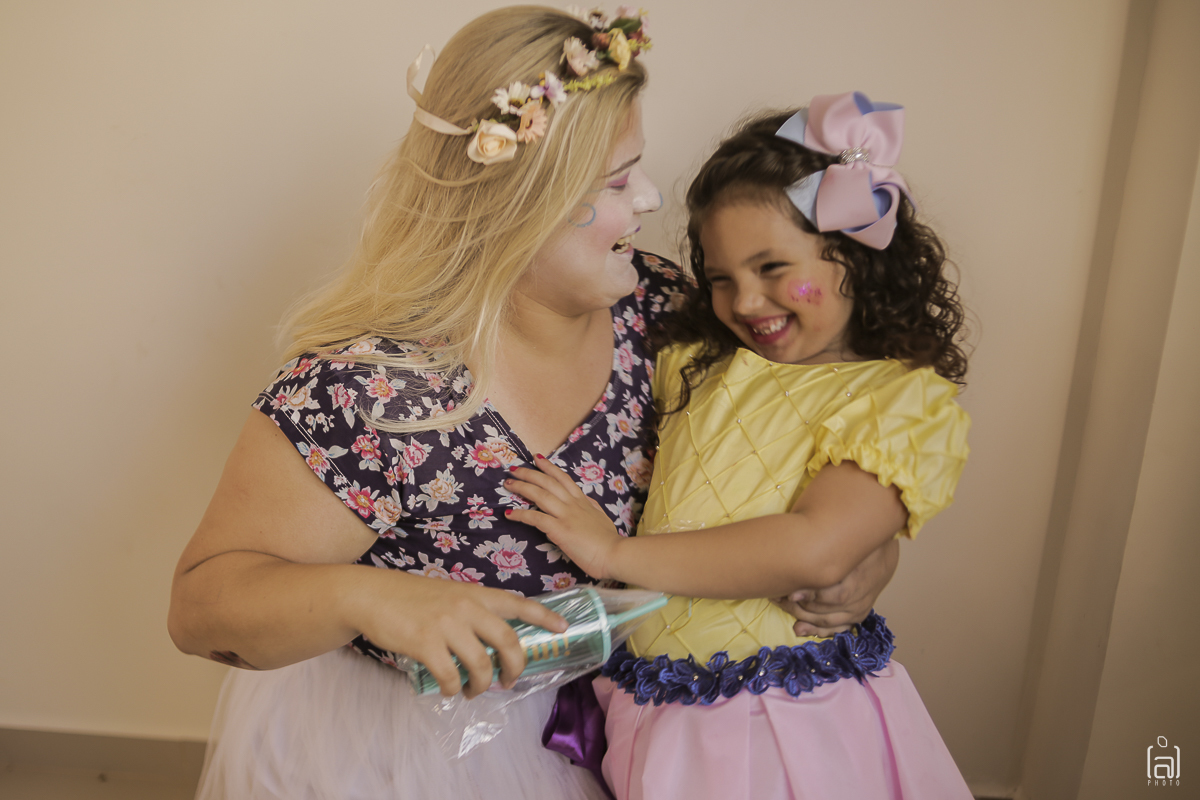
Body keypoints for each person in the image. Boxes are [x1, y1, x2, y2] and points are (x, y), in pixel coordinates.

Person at [168, 8, 897, 798]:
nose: (650, 197)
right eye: (617, 181)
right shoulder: (364, 392)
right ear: (519, 200)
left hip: (647, 718)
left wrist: (859, 557)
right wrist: (369, 596)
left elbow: (791, 467)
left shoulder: (667, 312)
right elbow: (201, 608)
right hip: (414, 755)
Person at [505, 93, 974, 799]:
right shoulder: (699, 360)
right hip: (658, 707)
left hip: (785, 720)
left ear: (855, 256)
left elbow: (817, 548)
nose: (746, 301)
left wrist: (613, 555)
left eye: (772, 268)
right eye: (721, 278)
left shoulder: (897, 401)